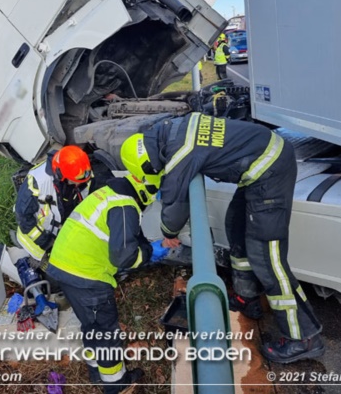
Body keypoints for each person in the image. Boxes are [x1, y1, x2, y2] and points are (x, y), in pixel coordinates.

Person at [120, 112, 324, 364]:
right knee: (235, 227)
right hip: (261, 165)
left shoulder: (180, 154)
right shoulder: (170, 130)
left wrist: (168, 234)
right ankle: (246, 297)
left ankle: (303, 338)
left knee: (268, 257)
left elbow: (175, 207)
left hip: (270, 171)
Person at [46, 174, 177, 393]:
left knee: (91, 325)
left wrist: (146, 246)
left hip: (64, 268)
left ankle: (97, 371)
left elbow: (126, 236)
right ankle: (116, 384)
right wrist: (150, 253)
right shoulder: (126, 206)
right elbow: (124, 257)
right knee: (106, 332)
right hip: (86, 277)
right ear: (145, 187)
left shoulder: (110, 193)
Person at [14, 145, 95, 262]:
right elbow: (23, 218)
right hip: (36, 243)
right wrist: (47, 243)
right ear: (60, 175)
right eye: (74, 181)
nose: (78, 184)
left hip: (62, 233)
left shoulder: (81, 172)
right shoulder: (38, 182)